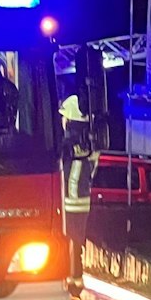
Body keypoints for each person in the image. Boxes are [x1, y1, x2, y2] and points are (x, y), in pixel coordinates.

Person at [60, 94, 95, 258]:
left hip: (70, 202)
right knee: (76, 243)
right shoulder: (92, 144)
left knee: (69, 242)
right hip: (83, 201)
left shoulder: (68, 145)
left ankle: (72, 277)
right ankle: (75, 277)